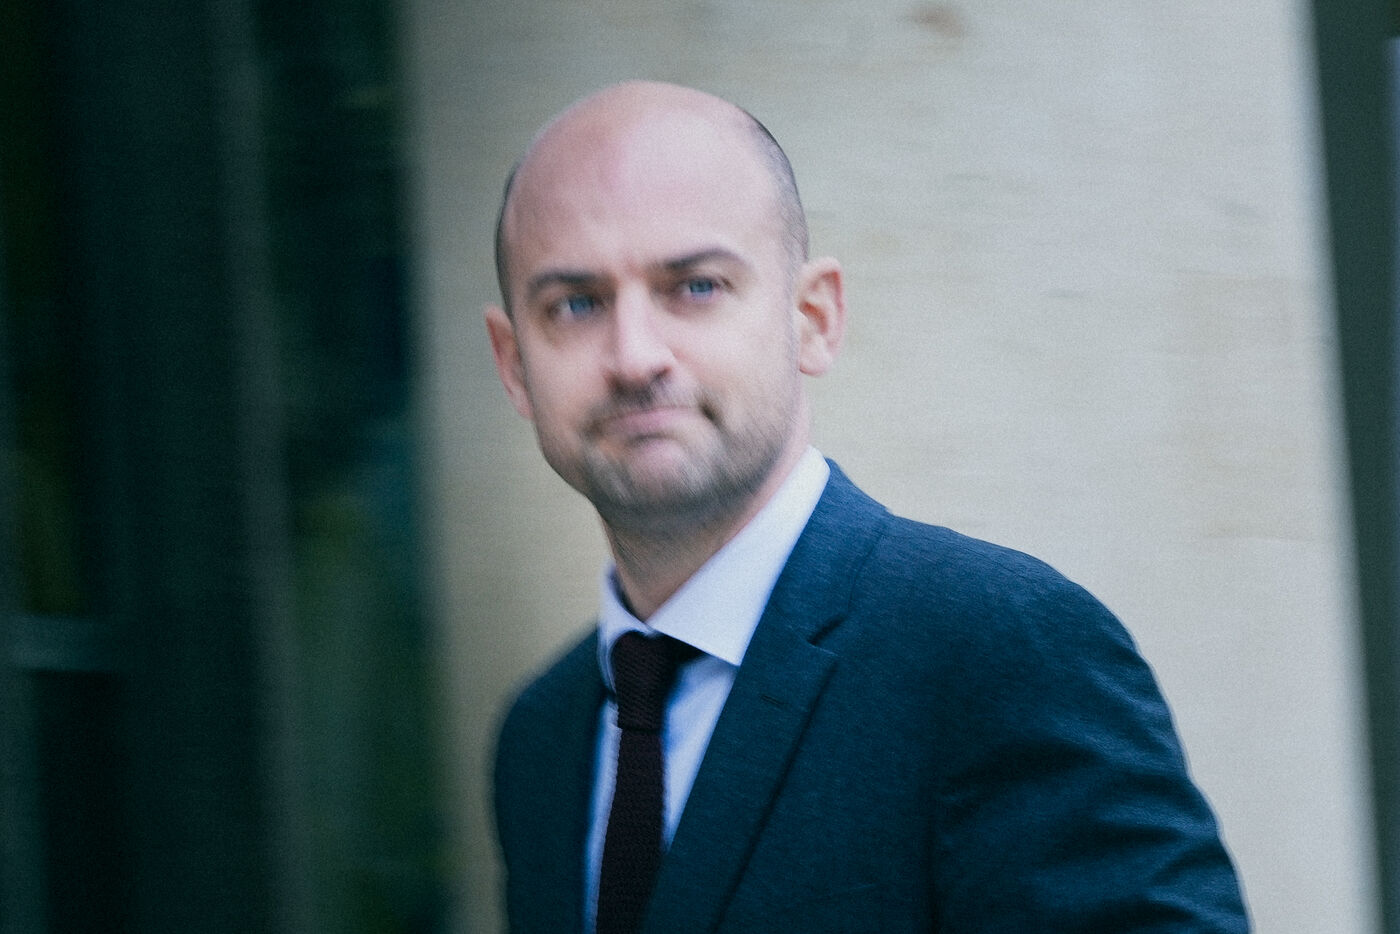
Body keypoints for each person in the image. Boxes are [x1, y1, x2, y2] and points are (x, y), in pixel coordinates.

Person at [485, 80, 1249, 934]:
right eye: (576, 305)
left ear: (813, 318)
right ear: (514, 365)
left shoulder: (999, 650)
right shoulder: (540, 738)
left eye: (695, 287)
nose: (635, 357)